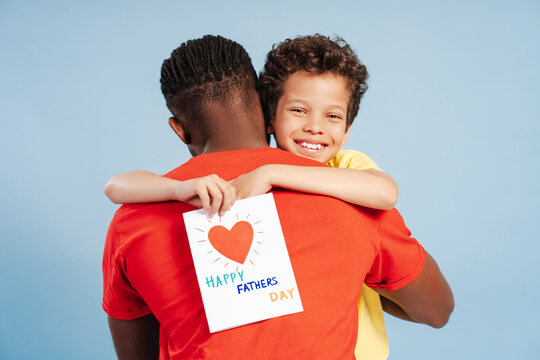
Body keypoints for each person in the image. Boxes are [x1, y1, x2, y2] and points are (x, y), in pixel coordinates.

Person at [102, 35, 454, 360]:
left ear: (180, 129)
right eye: (300, 110)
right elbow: (437, 310)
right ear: (267, 111)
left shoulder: (132, 220)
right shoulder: (350, 199)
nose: (315, 127)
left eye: (332, 116)